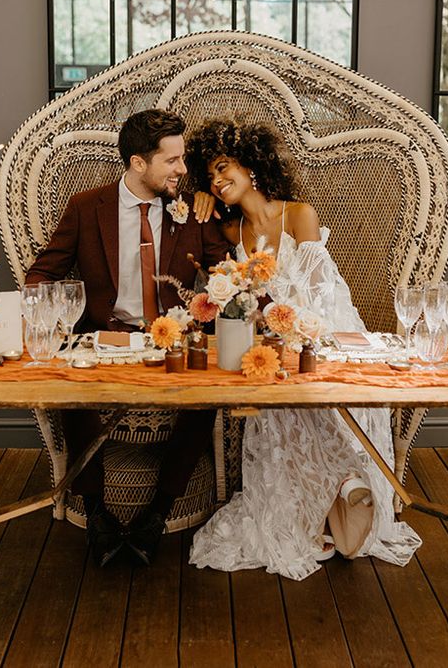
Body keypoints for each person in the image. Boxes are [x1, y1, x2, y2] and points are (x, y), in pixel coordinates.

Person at [184, 119, 421, 580]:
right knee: (277, 387)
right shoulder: (231, 233)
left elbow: (324, 293)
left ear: (250, 164)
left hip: (322, 331)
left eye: (223, 167)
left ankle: (341, 490)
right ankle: (339, 490)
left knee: (304, 383)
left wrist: (291, 327)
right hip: (270, 346)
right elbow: (227, 293)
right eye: (209, 175)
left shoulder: (299, 214)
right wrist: (200, 199)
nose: (217, 180)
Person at [25, 109, 230, 568]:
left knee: (208, 393)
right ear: (139, 163)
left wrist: (228, 303)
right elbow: (42, 274)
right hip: (105, 339)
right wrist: (53, 320)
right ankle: (98, 515)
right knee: (73, 391)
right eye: (172, 160)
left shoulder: (191, 209)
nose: (182, 169)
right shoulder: (86, 207)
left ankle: (156, 515)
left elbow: (229, 275)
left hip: (172, 341)